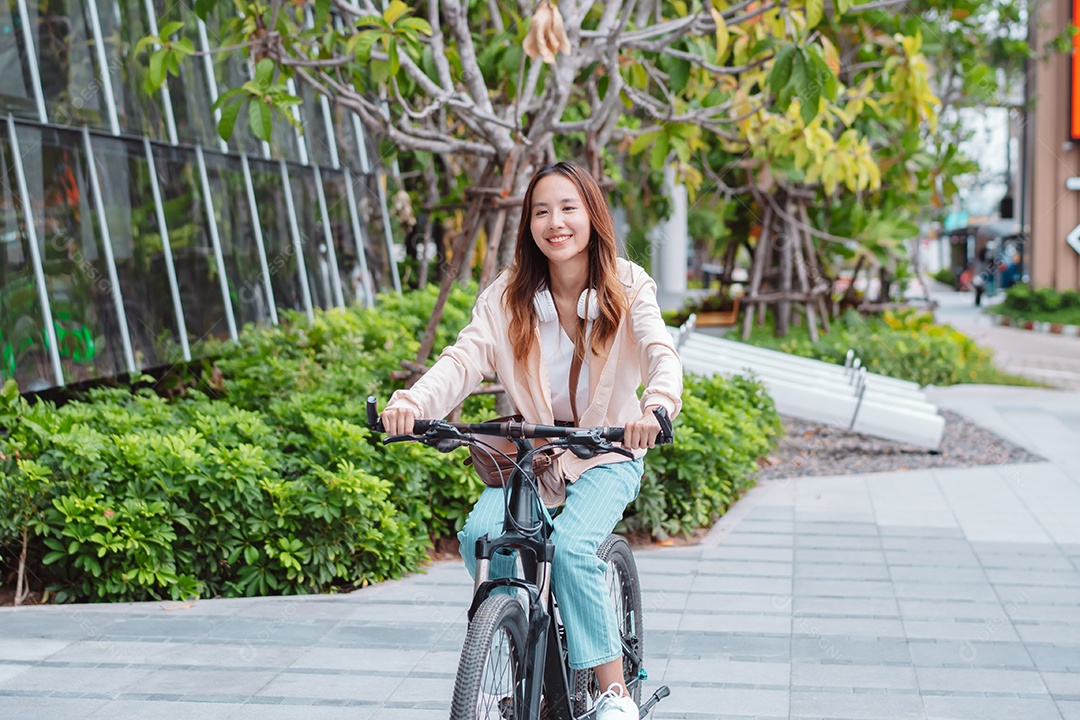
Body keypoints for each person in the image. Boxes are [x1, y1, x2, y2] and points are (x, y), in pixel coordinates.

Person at [381, 161, 683, 719]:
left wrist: (656, 407)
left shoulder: (630, 286)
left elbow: (661, 352)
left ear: (592, 216)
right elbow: (463, 358)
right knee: (481, 532)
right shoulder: (508, 296)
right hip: (535, 455)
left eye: (568, 208)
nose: (555, 222)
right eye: (541, 211)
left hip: (609, 452)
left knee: (571, 548)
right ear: (529, 224)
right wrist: (413, 404)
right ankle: (515, 645)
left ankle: (613, 691)